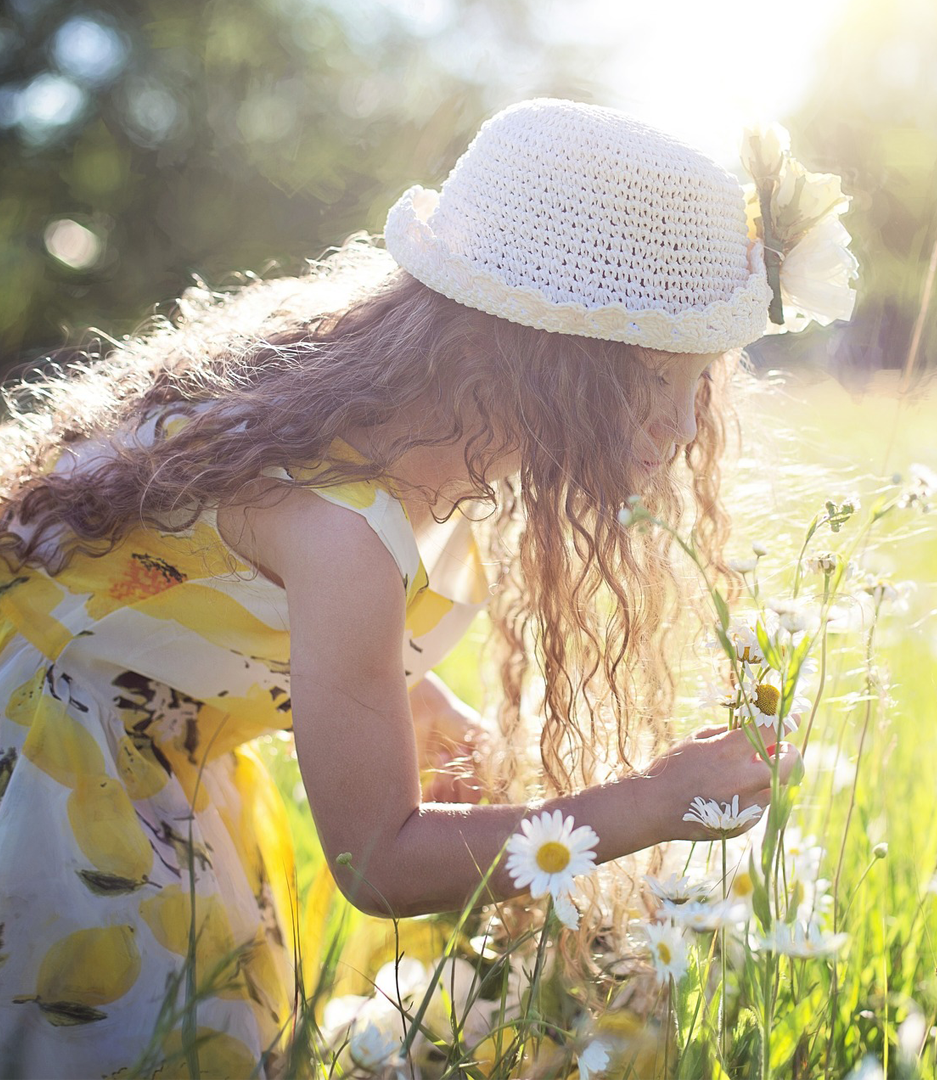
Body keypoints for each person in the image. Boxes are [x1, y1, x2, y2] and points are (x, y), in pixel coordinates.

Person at [0, 98, 802, 1078]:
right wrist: (653, 802)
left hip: (132, 736)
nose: (684, 430)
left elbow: (183, 591)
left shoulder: (381, 415)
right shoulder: (343, 526)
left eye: (700, 383)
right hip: (51, 782)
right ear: (542, 363)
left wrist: (410, 697)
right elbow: (376, 862)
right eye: (655, 382)